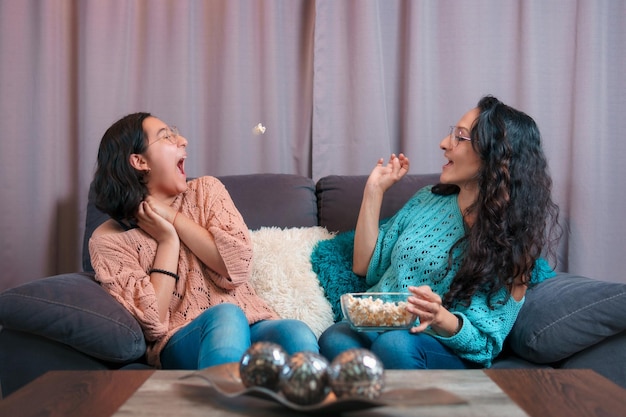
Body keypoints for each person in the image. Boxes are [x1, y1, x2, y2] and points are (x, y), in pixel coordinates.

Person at [318, 95, 561, 369]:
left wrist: (440, 316)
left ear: (495, 156)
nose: (444, 144)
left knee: (395, 345)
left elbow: (485, 344)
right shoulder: (427, 200)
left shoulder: (512, 242)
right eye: (451, 134)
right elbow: (365, 266)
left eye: (460, 137)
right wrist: (374, 191)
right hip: (380, 328)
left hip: (443, 345)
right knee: (336, 337)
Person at [89, 112, 319, 369]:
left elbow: (237, 267)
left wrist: (173, 218)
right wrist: (168, 241)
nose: (183, 140)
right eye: (167, 136)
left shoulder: (207, 191)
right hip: (181, 339)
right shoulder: (110, 240)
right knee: (226, 316)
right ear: (139, 161)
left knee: (295, 332)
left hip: (253, 323)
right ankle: (222, 407)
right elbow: (152, 322)